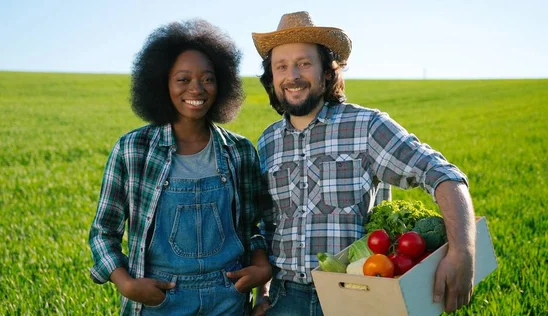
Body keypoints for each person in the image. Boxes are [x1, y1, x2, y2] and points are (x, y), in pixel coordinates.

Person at [251, 11, 476, 315]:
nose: (292, 75)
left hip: (357, 297)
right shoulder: (267, 142)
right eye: (281, 66)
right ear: (272, 77)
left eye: (304, 63)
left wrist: (463, 252)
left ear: (327, 72)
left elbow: (444, 175)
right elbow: (266, 226)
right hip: (284, 299)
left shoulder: (366, 126)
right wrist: (263, 294)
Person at [88, 19, 272, 316]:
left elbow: (254, 227)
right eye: (183, 79)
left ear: (222, 83)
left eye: (208, 78)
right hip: (159, 300)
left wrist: (262, 269)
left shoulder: (239, 151)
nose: (196, 88)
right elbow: (103, 232)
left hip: (227, 298)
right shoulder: (133, 149)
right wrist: (127, 285)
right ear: (163, 83)